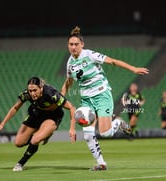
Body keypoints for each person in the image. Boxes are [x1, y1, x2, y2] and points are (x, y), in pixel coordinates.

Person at [61, 26, 149, 170]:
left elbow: (113, 61)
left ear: (82, 44)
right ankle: (101, 164)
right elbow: (68, 82)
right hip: (86, 100)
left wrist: (133, 69)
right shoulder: (70, 63)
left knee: (105, 133)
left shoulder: (89, 55)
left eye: (76, 44)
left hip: (101, 94)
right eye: (71, 44)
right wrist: (60, 97)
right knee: (88, 134)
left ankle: (118, 123)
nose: (73, 47)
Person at [0, 77, 76, 171]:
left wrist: (72, 128)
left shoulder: (51, 94)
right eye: (30, 90)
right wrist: (2, 124)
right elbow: (15, 108)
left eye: (35, 90)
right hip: (36, 114)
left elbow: (72, 107)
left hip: (52, 117)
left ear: (41, 87)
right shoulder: (26, 94)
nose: (32, 93)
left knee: (35, 140)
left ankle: (21, 163)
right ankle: (43, 135)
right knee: (18, 143)